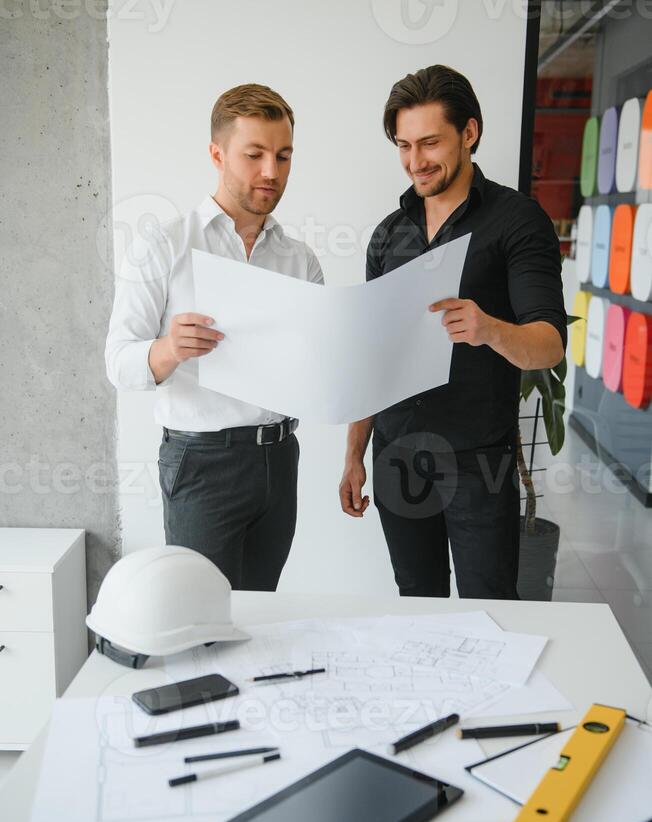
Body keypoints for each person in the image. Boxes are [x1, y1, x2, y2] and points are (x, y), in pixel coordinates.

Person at [339, 65, 567, 599]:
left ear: (469, 133)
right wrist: (354, 452)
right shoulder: (387, 235)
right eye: (403, 145)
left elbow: (549, 344)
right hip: (396, 454)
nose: (415, 161)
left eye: (430, 143)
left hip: (478, 461)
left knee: (490, 609)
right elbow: (371, 355)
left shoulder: (517, 221)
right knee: (416, 603)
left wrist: (488, 328)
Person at [106, 84, 323, 590]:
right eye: (255, 155)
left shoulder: (300, 259)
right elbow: (118, 362)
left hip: (279, 457)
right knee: (201, 618)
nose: (272, 171)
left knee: (260, 612)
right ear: (216, 154)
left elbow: (315, 366)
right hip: (201, 464)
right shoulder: (162, 245)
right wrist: (168, 348)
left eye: (284, 155)